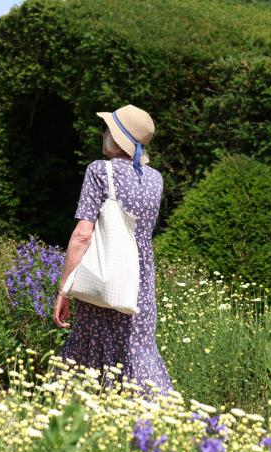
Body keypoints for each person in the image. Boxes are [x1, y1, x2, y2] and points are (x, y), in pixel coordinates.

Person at [53, 104, 174, 395]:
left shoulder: (99, 171)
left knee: (92, 349)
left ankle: (82, 413)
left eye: (107, 128)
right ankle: (147, 423)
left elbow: (83, 235)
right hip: (139, 281)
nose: (103, 132)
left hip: (104, 276)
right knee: (135, 350)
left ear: (116, 137)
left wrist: (64, 288)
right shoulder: (155, 179)